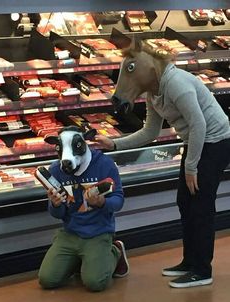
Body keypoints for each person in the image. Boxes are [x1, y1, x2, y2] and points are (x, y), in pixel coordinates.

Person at [95, 61, 230, 288]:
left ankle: (202, 270)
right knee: (185, 202)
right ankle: (190, 262)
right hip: (195, 142)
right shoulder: (153, 93)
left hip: (216, 141)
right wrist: (115, 144)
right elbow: (151, 131)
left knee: (200, 205)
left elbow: (199, 124)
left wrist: (191, 167)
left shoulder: (176, 83)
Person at [38, 128, 129, 292]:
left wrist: (102, 203)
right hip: (70, 234)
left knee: (96, 283)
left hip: (98, 232)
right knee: (47, 279)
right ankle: (82, 260)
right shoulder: (55, 170)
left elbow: (119, 200)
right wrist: (56, 204)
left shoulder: (104, 164)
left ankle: (115, 251)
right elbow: (57, 214)